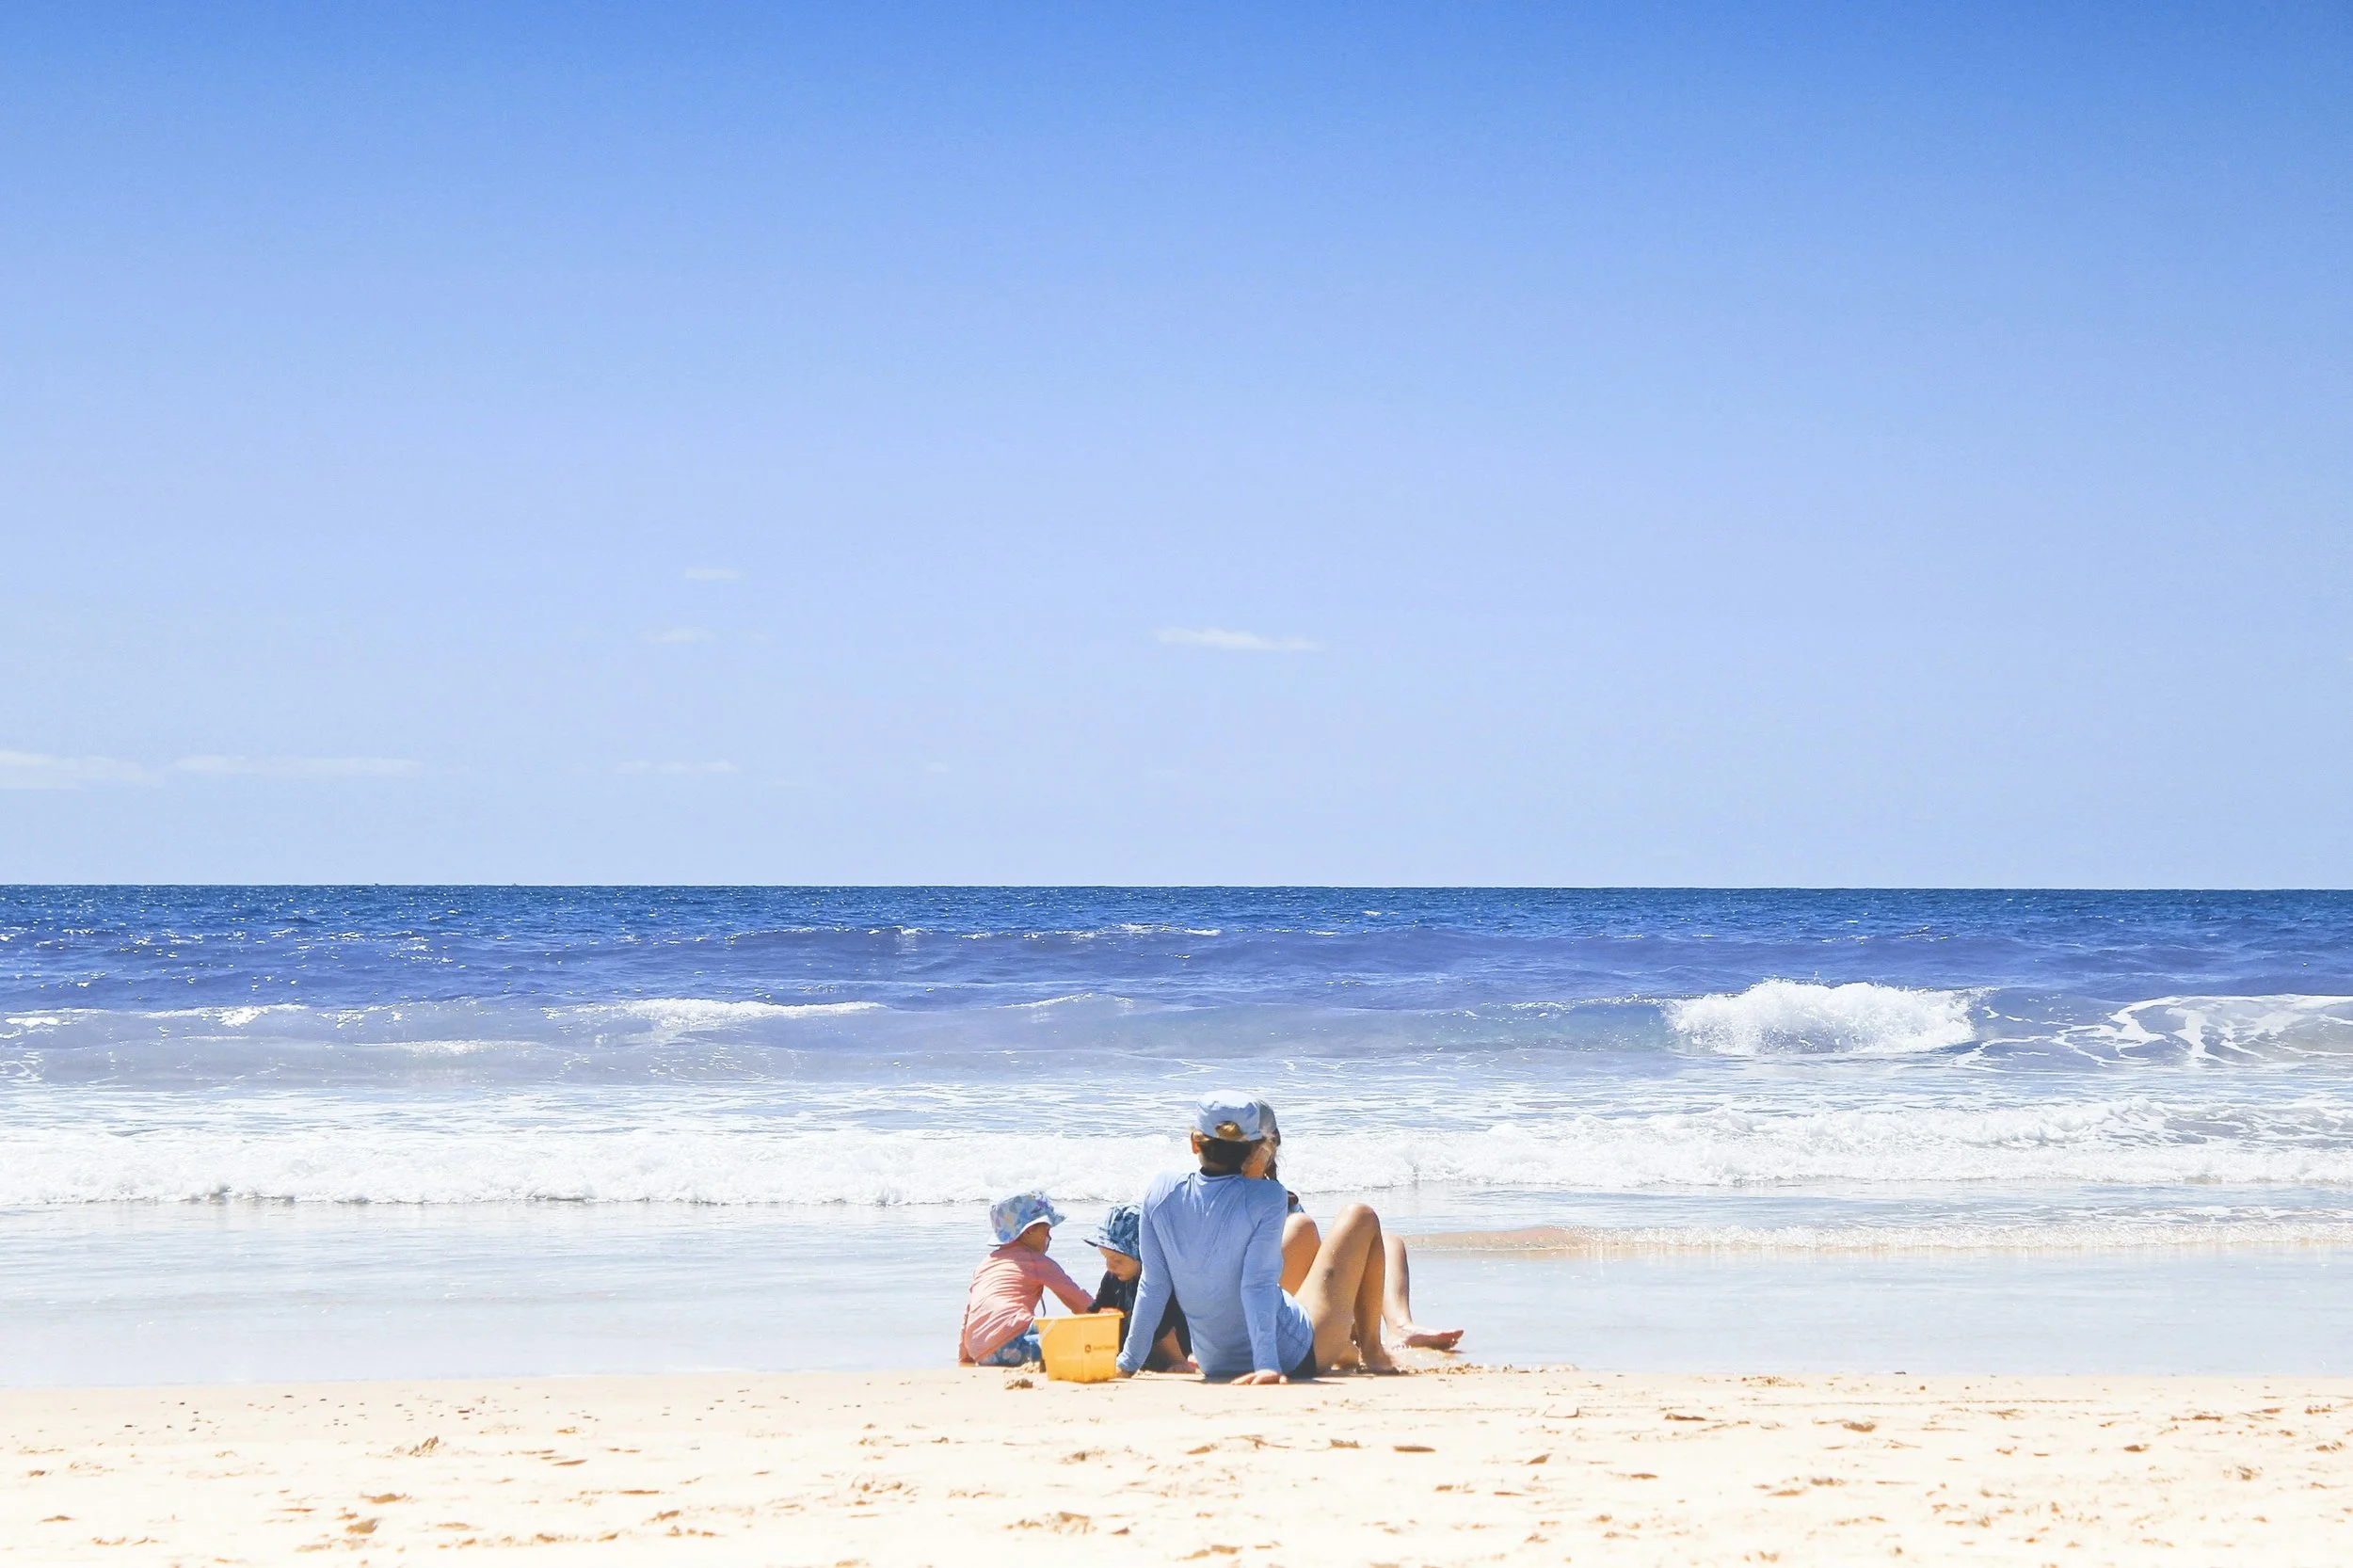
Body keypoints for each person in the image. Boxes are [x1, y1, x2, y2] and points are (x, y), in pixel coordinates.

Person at [1115, 1094, 1399, 1384]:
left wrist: (1127, 1362)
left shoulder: (1160, 1191)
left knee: (1299, 1238)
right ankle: (1373, 1350)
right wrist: (1267, 1365)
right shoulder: (1268, 1196)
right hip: (1295, 1356)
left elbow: (1154, 1284)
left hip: (1216, 1363)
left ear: (1194, 1143)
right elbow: (1256, 1285)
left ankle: (1347, 1349)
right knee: (1360, 1216)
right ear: (1255, 1150)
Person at [1255, 1100, 1464, 1352]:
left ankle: (1401, 1326)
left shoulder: (1280, 1197)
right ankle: (1363, 1337)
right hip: (1271, 1306)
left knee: (1387, 1240)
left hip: (1298, 1296)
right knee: (1305, 1229)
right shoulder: (1246, 1200)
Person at [958, 1190, 1095, 1368]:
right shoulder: (1035, 1261)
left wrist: (965, 1356)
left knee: (1042, 1329)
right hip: (1013, 1343)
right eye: (1047, 1231)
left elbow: (969, 1312)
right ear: (1029, 1230)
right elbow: (1076, 1299)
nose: (1049, 1237)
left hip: (981, 1352)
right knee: (1077, 1339)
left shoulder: (986, 1263)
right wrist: (1102, 1318)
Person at [1084, 1203, 1193, 1372]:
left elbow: (1168, 1322)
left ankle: (1178, 1361)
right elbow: (1093, 1311)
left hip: (1172, 1340)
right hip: (1135, 1344)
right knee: (1103, 1323)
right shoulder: (1112, 1278)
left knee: (1149, 1315)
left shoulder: (1158, 1281)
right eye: (1106, 1258)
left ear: (1143, 1255)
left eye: (1117, 1260)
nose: (1110, 1267)